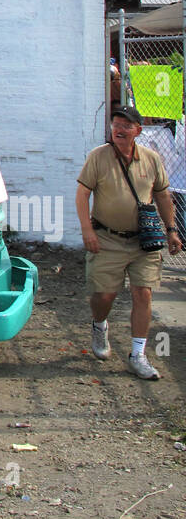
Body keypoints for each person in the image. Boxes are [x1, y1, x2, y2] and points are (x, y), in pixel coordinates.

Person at [76, 104, 182, 378]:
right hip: (106, 238)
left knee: (143, 292)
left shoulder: (151, 158)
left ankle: (138, 355)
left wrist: (171, 229)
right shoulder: (98, 157)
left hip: (143, 241)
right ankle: (100, 325)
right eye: (116, 124)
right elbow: (81, 194)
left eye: (126, 125)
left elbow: (161, 195)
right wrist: (87, 230)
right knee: (103, 295)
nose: (119, 129)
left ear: (138, 130)